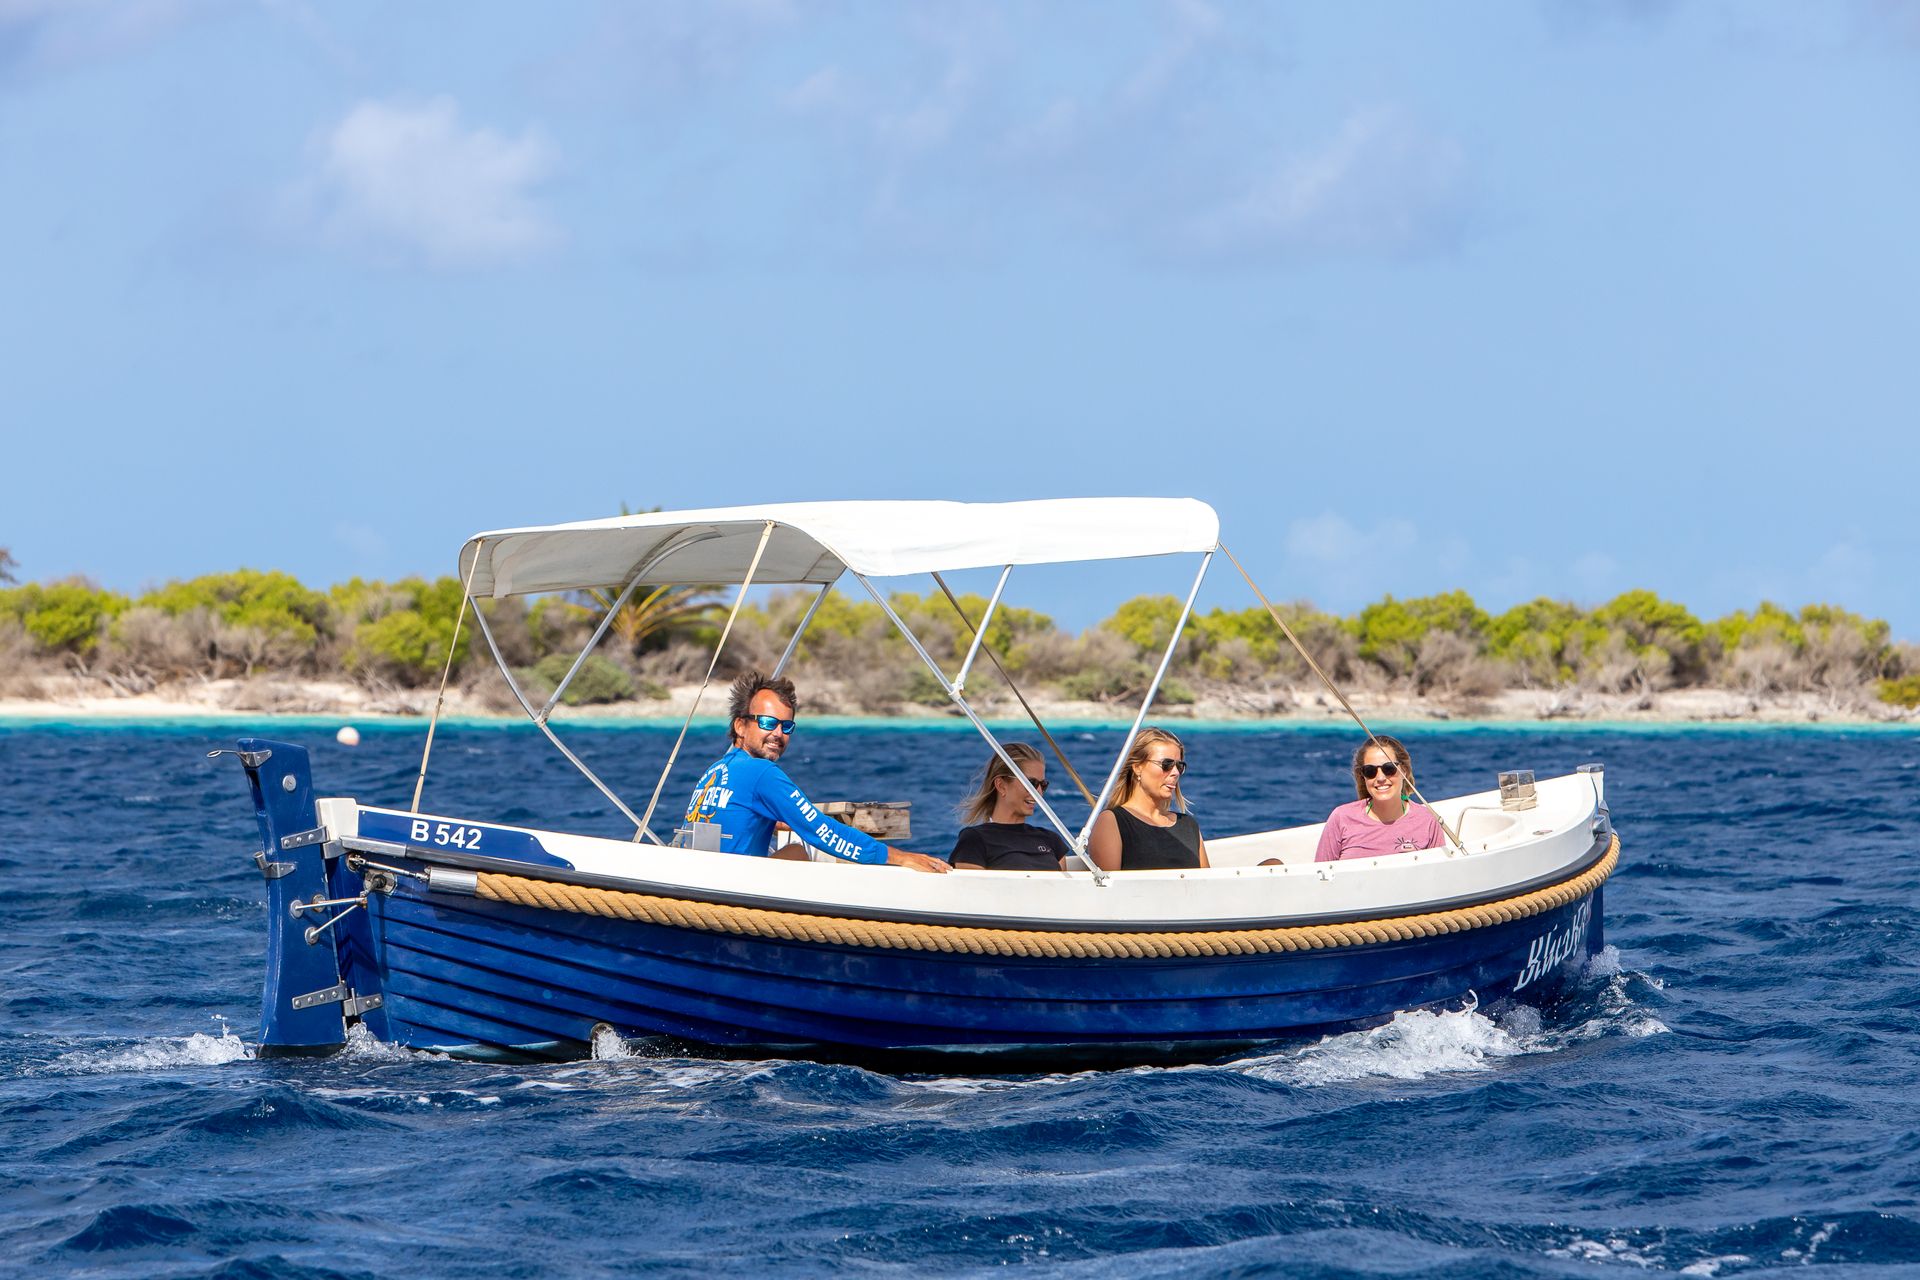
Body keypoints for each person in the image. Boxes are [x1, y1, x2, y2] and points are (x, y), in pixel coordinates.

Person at [683, 671, 949, 873]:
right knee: (800, 851)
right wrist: (898, 857)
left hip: (702, 877)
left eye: (786, 726)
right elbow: (822, 831)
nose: (778, 734)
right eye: (767, 723)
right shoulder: (761, 772)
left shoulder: (715, 770)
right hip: (734, 891)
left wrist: (768, 820)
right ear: (740, 726)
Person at [1085, 727, 1208, 872]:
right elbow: (1109, 888)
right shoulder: (1112, 822)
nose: (1175, 773)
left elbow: (1207, 884)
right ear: (1137, 767)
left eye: (1179, 766)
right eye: (1166, 764)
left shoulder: (1188, 825)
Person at [1314, 734, 1445, 862]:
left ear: (1403, 770)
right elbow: (1319, 876)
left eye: (1389, 768)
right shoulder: (1341, 818)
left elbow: (1437, 877)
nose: (1381, 778)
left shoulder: (1427, 821)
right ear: (1363, 776)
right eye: (1370, 771)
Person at [949, 744, 1068, 872]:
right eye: (1031, 783)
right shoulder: (975, 840)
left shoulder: (1052, 840)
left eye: (1043, 785)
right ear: (1001, 786)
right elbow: (972, 888)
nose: (1038, 792)